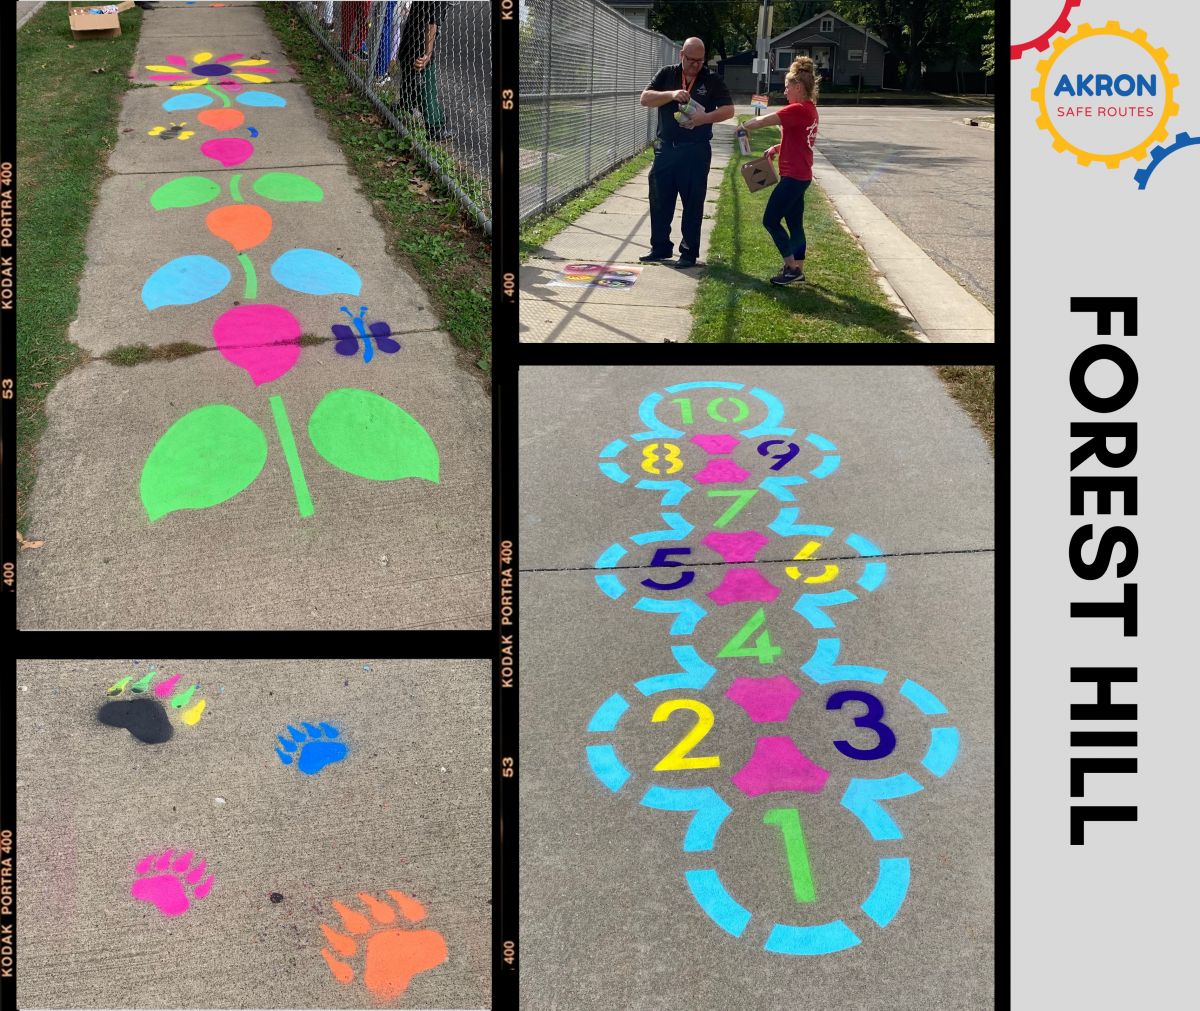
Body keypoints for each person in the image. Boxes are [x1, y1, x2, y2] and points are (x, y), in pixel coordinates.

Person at [639, 38, 735, 269]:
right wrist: (671, 95)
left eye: (700, 61)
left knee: (693, 202)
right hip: (666, 149)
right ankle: (660, 247)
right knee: (660, 200)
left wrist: (705, 118)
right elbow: (645, 98)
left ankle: (689, 252)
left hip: (695, 151)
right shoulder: (667, 74)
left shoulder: (711, 80)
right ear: (682, 55)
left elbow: (729, 110)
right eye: (691, 60)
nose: (695, 65)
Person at [738, 56, 820, 286]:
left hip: (794, 177)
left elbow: (763, 120)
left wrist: (743, 126)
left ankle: (791, 268)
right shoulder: (809, 110)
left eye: (786, 88)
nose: (784, 92)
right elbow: (799, 140)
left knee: (770, 220)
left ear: (798, 88)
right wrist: (776, 148)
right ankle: (798, 271)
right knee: (795, 224)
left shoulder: (798, 109)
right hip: (800, 175)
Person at [392, 0, 453, 141]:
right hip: (419, 48)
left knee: (408, 81)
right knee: (427, 89)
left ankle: (404, 107)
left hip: (409, 42)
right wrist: (427, 54)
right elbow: (431, 23)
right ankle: (435, 127)